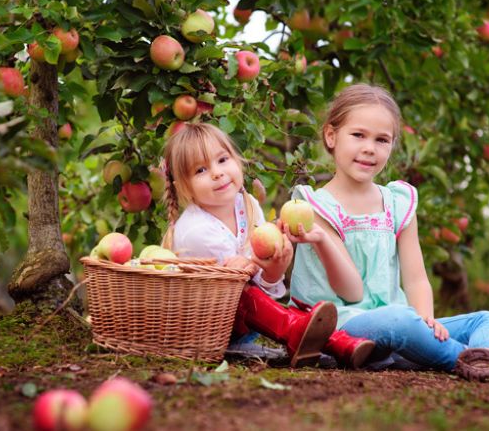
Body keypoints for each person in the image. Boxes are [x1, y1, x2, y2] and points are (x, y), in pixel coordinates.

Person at [284, 83, 489, 383]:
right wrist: (413, 323)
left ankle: (486, 355)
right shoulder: (315, 205)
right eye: (358, 135)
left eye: (382, 140)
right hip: (340, 329)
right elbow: (352, 293)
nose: (369, 148)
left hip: (402, 323)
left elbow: (415, 278)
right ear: (331, 136)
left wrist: (427, 320)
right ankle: (480, 359)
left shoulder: (397, 203)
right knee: (399, 321)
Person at [160, 122, 375, 368]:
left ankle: (339, 343)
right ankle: (304, 334)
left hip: (244, 321)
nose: (217, 173)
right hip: (207, 325)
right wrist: (254, 266)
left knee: (286, 309)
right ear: (184, 186)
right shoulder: (197, 231)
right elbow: (234, 294)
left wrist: (274, 270)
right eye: (200, 170)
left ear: (237, 160)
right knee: (246, 296)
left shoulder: (246, 204)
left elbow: (260, 283)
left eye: (222, 160)